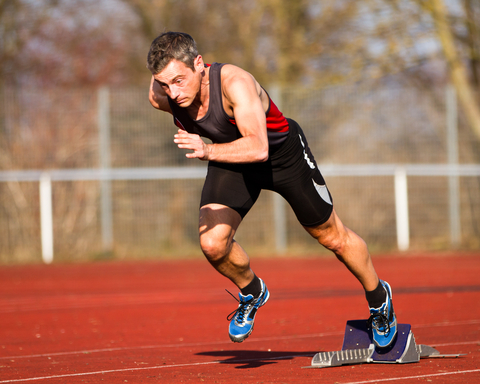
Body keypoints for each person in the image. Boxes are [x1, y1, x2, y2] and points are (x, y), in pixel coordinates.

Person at [146, 31, 397, 347]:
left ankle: (379, 298)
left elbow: (258, 148)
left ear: (199, 63)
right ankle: (252, 292)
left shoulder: (234, 83)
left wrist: (207, 150)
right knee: (212, 244)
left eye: (179, 80)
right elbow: (165, 91)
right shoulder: (161, 96)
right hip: (232, 159)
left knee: (333, 236)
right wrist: (211, 146)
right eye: (164, 84)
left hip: (281, 157)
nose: (173, 92)